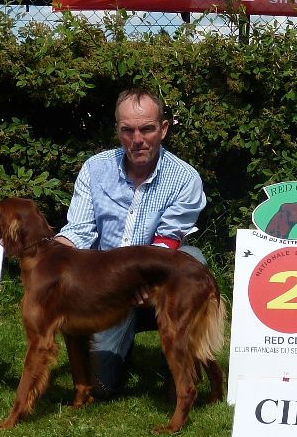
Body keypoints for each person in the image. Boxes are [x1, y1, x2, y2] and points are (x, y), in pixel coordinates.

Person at [55, 87, 207, 399]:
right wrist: (48, 253)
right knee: (100, 387)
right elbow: (78, 233)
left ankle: (180, 366)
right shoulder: (94, 169)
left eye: (147, 129)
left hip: (159, 281)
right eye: (128, 130)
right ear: (118, 131)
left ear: (163, 129)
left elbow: (167, 243)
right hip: (108, 291)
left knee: (193, 260)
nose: (137, 139)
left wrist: (142, 279)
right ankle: (121, 351)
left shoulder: (184, 178)